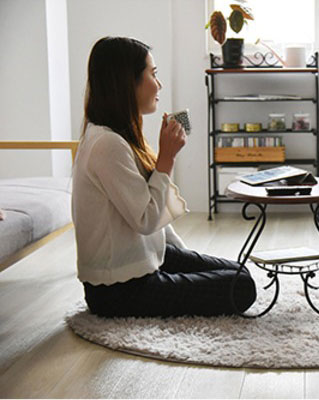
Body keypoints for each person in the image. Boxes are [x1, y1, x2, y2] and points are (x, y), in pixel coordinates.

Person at [72, 36, 256, 318]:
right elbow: (146, 220)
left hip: (146, 260)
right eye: (153, 74)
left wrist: (185, 262)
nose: (159, 85)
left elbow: (153, 219)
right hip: (119, 289)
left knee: (238, 272)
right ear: (127, 82)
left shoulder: (120, 137)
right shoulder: (107, 145)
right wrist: (166, 159)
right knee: (241, 286)